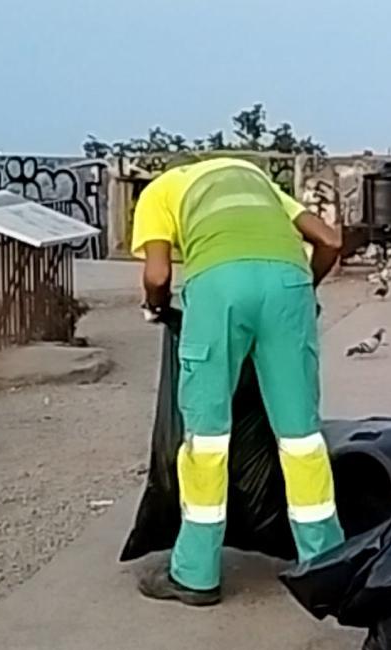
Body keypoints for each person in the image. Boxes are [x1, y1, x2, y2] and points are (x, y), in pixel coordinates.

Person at [131, 155, 345, 607]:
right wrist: (304, 290)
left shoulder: (159, 192)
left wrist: (155, 306)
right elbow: (329, 240)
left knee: (207, 440)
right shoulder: (254, 179)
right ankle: (327, 566)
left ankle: (196, 575)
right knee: (301, 437)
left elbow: (157, 273)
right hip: (288, 286)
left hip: (219, 289)